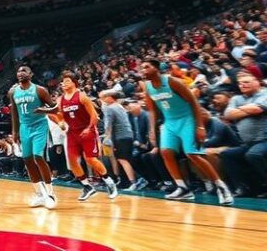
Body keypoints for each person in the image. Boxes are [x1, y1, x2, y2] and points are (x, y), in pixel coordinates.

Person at [140, 58, 233, 204]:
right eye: (141, 68)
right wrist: (152, 130)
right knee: (165, 152)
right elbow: (152, 111)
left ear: (156, 68)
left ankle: (221, 186)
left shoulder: (171, 81)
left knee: (192, 154)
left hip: (187, 119)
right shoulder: (147, 87)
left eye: (146, 67)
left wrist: (200, 126)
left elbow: (193, 102)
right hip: (170, 122)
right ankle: (183, 188)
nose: (142, 70)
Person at [49, 72, 118, 201]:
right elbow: (53, 115)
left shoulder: (82, 97)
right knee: (73, 161)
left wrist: (89, 128)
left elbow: (94, 117)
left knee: (91, 159)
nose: (64, 83)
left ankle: (109, 181)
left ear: (74, 82)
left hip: (88, 130)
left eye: (67, 81)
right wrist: (59, 122)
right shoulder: (60, 100)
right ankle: (87, 187)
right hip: (72, 133)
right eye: (63, 82)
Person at [9, 65, 57, 209]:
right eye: (19, 71)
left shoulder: (40, 90)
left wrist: (44, 110)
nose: (21, 73)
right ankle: (40, 194)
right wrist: (15, 132)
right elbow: (14, 114)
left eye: (24, 71)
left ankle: (50, 193)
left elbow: (55, 107)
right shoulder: (13, 92)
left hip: (39, 125)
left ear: (31, 74)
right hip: (24, 128)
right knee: (27, 159)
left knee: (38, 156)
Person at [220, 70, 267, 197]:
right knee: (227, 154)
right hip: (247, 142)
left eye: (246, 82)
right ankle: (242, 187)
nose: (242, 85)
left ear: (257, 82)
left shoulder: (265, 94)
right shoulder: (236, 98)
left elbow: (257, 109)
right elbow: (227, 114)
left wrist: (238, 111)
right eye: (240, 83)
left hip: (264, 139)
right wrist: (249, 109)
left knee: (254, 154)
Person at [99, 91, 145, 190]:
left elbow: (108, 125)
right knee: (124, 159)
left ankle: (136, 181)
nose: (102, 100)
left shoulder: (109, 108)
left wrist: (106, 139)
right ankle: (126, 181)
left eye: (104, 97)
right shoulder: (119, 106)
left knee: (122, 159)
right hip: (128, 136)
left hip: (120, 137)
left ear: (111, 97)